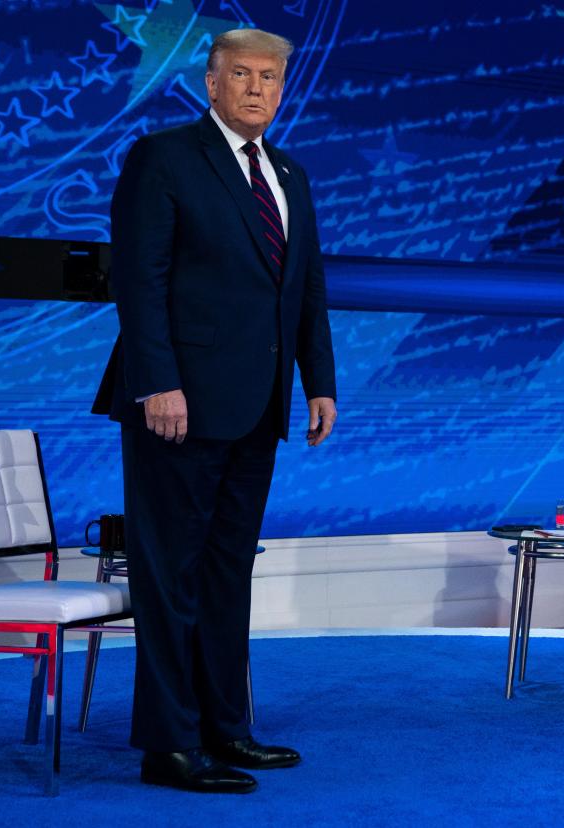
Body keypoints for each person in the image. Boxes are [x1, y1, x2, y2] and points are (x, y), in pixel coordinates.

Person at [93, 28, 337, 792]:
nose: (258, 88)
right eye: (242, 74)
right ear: (211, 82)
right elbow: (139, 279)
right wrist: (156, 382)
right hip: (177, 405)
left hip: (258, 408)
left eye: (270, 77)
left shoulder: (291, 175)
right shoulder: (164, 157)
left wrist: (318, 382)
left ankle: (226, 728)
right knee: (170, 576)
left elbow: (305, 291)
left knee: (229, 573)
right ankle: (168, 745)